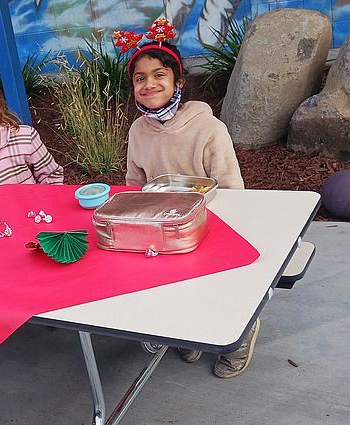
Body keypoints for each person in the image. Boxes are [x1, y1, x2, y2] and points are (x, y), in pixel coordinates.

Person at [124, 36, 256, 378]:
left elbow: (230, 187)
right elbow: (133, 184)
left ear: (178, 81)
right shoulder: (138, 130)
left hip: (211, 220)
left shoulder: (209, 128)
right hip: (163, 225)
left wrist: (225, 226)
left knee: (221, 282)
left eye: (159, 75)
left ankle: (240, 331)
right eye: (140, 78)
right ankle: (191, 330)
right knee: (171, 280)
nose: (149, 83)